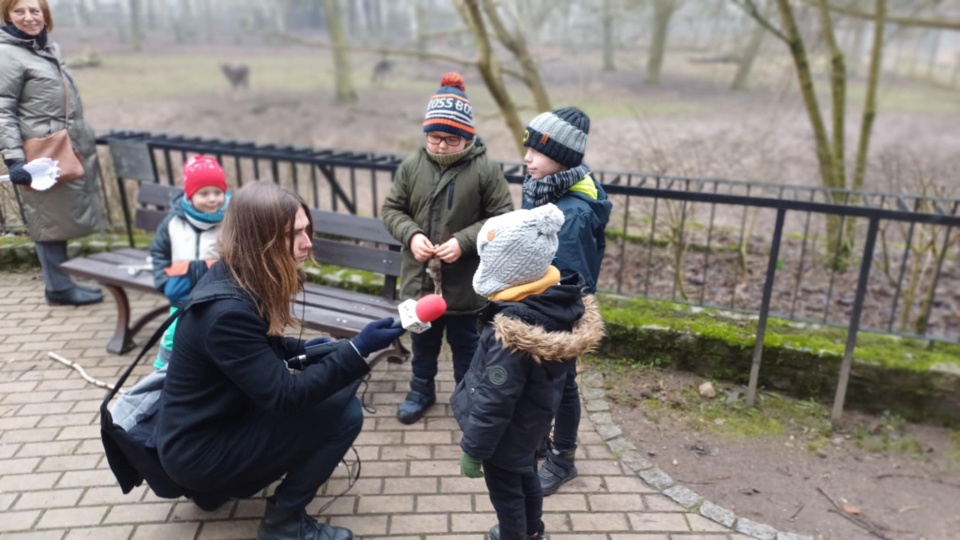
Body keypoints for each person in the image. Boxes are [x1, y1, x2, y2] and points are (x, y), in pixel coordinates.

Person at [154, 182, 405, 540]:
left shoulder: (232, 274)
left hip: (201, 431)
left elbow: (253, 351)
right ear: (260, 240)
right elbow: (285, 396)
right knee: (344, 414)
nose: (307, 243)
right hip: (199, 453)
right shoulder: (227, 313)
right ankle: (284, 523)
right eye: (294, 234)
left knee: (329, 396)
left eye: (307, 230)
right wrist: (357, 350)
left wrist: (312, 350)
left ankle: (213, 491)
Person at [451, 205, 605, 540]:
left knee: (506, 494)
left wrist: (474, 449)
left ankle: (515, 535)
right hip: (532, 426)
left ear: (506, 271)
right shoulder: (554, 306)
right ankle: (534, 531)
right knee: (527, 478)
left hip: (504, 438)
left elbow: (495, 400)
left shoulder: (509, 334)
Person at [381, 72, 513, 425]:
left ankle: (466, 396)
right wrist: (410, 235)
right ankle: (420, 390)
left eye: (450, 140)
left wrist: (463, 242)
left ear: (467, 137)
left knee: (466, 345)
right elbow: (391, 210)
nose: (439, 146)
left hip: (466, 283)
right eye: (433, 137)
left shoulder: (485, 170)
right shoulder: (411, 166)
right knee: (422, 341)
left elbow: (502, 218)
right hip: (419, 280)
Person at [520, 107, 612, 496]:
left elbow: (570, 278)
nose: (526, 158)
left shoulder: (570, 213)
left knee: (563, 385)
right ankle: (540, 440)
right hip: (537, 303)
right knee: (542, 383)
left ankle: (563, 458)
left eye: (536, 151)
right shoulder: (546, 192)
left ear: (561, 158)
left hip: (557, 310)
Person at [0, 0, 107, 306]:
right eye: (19, 11)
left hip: (61, 146)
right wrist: (15, 159)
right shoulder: (7, 54)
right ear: (7, 15)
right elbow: (2, 111)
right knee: (47, 219)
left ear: (45, 15)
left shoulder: (43, 49)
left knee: (57, 217)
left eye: (35, 10)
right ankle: (58, 288)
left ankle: (59, 284)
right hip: (40, 153)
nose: (29, 17)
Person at [149, 155, 229, 370]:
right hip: (180, 294)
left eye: (218, 192)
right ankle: (162, 372)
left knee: (216, 334)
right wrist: (163, 282)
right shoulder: (173, 222)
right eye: (204, 193)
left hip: (215, 295)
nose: (212, 199)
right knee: (172, 336)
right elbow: (159, 253)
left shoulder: (230, 222)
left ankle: (210, 373)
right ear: (190, 194)